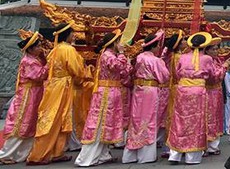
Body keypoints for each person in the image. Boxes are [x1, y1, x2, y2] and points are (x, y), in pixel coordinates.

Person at [27, 22, 86, 165]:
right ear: (67, 34)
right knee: (55, 119)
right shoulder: (69, 50)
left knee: (56, 118)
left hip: (53, 85)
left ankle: (56, 152)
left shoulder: (55, 49)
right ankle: (40, 155)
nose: (74, 35)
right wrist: (83, 78)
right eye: (72, 32)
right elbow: (77, 70)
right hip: (62, 87)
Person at [75, 29, 131, 166]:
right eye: (118, 41)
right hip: (107, 93)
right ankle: (88, 157)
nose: (120, 44)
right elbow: (117, 66)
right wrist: (123, 55)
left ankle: (103, 154)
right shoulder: (107, 55)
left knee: (107, 123)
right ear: (114, 43)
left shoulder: (110, 54)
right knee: (100, 123)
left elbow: (124, 72)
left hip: (112, 91)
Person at [167, 32, 221, 165]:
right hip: (198, 92)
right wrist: (222, 69)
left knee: (179, 120)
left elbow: (178, 73)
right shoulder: (207, 59)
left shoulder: (182, 57)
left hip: (182, 90)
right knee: (196, 122)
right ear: (204, 46)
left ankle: (175, 155)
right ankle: (192, 157)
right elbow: (213, 76)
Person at [122, 32, 170, 164]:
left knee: (136, 120)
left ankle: (130, 155)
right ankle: (146, 156)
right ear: (154, 46)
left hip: (138, 90)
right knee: (149, 120)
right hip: (150, 91)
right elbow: (165, 76)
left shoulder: (138, 58)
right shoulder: (156, 60)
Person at [0, 32, 47, 164]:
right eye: (38, 46)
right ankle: (6, 153)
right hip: (28, 95)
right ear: (31, 49)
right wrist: (51, 64)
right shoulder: (28, 61)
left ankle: (22, 154)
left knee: (31, 123)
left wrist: (44, 60)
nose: (40, 48)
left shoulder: (34, 59)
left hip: (34, 93)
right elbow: (40, 75)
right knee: (21, 124)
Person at [204, 37, 229, 156]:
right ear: (206, 50)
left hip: (217, 92)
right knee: (208, 118)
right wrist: (224, 67)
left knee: (216, 117)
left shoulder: (217, 60)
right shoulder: (207, 61)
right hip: (208, 91)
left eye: (216, 49)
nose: (216, 51)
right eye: (213, 49)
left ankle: (213, 145)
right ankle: (208, 145)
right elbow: (214, 77)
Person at [223, 68, 230, 135]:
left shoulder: (229, 74)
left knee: (229, 111)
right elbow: (227, 86)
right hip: (228, 94)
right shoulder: (226, 75)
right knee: (227, 111)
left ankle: (227, 128)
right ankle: (226, 129)